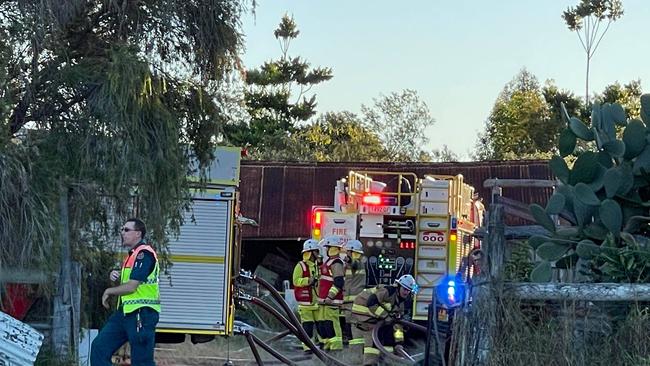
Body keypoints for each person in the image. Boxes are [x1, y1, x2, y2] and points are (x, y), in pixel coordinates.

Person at [91, 218, 160, 366]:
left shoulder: (144, 254)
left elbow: (132, 286)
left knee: (142, 362)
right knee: (98, 348)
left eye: (126, 230)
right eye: (122, 229)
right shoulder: (132, 255)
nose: (122, 233)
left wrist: (109, 291)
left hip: (142, 313)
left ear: (138, 234)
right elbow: (130, 280)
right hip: (125, 313)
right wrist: (116, 275)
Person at [350, 274, 418, 366]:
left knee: (387, 334)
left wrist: (399, 342)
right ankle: (369, 363)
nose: (406, 292)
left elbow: (398, 325)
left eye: (408, 291)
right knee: (374, 339)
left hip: (375, 317)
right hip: (364, 311)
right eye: (404, 289)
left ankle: (383, 361)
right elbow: (371, 303)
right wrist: (386, 316)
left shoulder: (401, 304)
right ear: (398, 287)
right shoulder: (388, 291)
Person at [316, 236, 346, 351]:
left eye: (328, 247)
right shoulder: (328, 261)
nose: (326, 250)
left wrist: (330, 296)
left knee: (332, 325)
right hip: (324, 301)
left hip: (331, 301)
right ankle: (327, 347)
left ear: (333, 248)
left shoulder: (337, 263)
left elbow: (338, 282)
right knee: (323, 325)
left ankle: (336, 349)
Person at [292, 239, 321, 352]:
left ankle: (319, 348)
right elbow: (295, 281)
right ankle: (307, 349)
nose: (318, 254)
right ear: (311, 252)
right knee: (307, 327)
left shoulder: (316, 266)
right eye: (316, 252)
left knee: (321, 327)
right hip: (306, 303)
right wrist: (308, 281)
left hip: (317, 303)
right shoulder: (301, 266)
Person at [341, 239, 366, 348]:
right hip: (349, 302)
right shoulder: (349, 266)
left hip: (354, 303)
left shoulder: (358, 264)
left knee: (354, 329)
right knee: (350, 328)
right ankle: (354, 350)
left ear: (352, 252)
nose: (346, 254)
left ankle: (356, 353)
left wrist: (349, 260)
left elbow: (354, 263)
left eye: (348, 252)